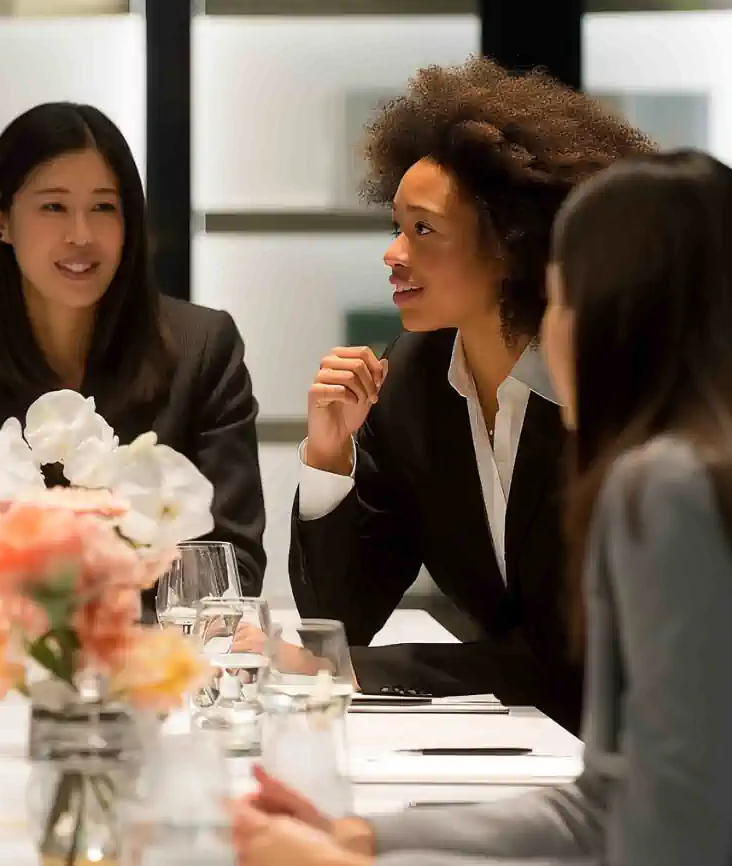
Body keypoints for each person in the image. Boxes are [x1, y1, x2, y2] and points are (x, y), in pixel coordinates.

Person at [235, 150, 732, 866]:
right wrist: (363, 838)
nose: (548, 325)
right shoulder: (416, 382)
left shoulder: (665, 487)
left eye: (561, 297)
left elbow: (672, 837)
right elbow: (602, 806)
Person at [288, 57, 654, 732]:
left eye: (422, 230)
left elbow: (574, 662)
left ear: (513, 243)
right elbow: (337, 621)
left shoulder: (609, 392)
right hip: (526, 745)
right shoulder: (414, 382)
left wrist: (360, 670)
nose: (393, 253)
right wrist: (328, 454)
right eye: (395, 226)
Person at [0, 101, 267, 619]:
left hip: (148, 670)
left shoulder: (204, 347)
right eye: (53, 207)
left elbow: (231, 568)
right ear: (1, 221)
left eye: (104, 208)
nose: (81, 234)